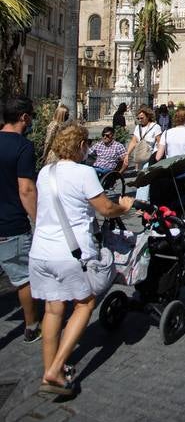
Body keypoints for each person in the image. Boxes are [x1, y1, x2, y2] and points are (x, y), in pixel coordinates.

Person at [29, 124, 135, 396]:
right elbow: (105, 209)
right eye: (87, 143)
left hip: (41, 251)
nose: (89, 148)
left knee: (54, 310)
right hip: (71, 252)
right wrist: (125, 206)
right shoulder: (85, 172)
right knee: (84, 304)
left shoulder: (45, 172)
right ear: (79, 146)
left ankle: (49, 372)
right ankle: (56, 369)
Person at [0, 97, 40, 342]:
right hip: (11, 225)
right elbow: (26, 189)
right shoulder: (23, 147)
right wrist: (39, 220)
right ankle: (31, 325)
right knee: (23, 279)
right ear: (24, 117)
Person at [122, 106, 161, 172]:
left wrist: (158, 157)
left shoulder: (155, 127)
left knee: (146, 174)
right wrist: (127, 154)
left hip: (151, 157)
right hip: (140, 158)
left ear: (148, 116)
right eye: (138, 118)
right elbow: (133, 142)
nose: (140, 120)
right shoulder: (138, 127)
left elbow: (159, 142)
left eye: (142, 118)